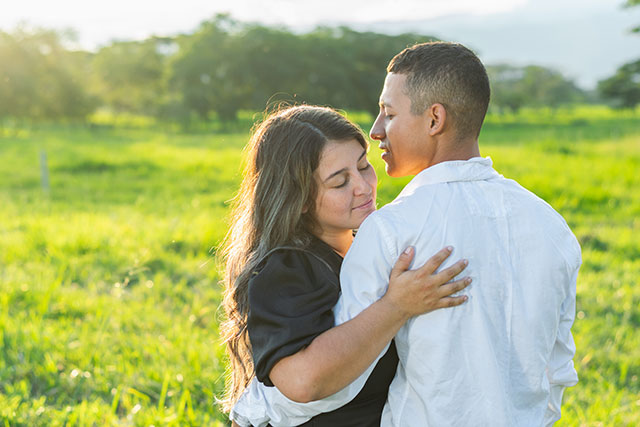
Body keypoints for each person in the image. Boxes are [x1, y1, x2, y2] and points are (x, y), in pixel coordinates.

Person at [231, 42, 581, 427]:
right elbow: (557, 365)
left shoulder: (389, 233)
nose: (377, 130)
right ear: (297, 197)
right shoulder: (552, 227)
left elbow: (332, 385)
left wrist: (254, 409)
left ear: (434, 120)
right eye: (339, 181)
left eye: (389, 114)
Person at [220, 105, 472, 426]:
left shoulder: (373, 249)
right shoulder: (285, 269)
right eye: (340, 182)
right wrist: (396, 306)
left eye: (364, 166)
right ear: (298, 198)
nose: (363, 186)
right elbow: (302, 381)